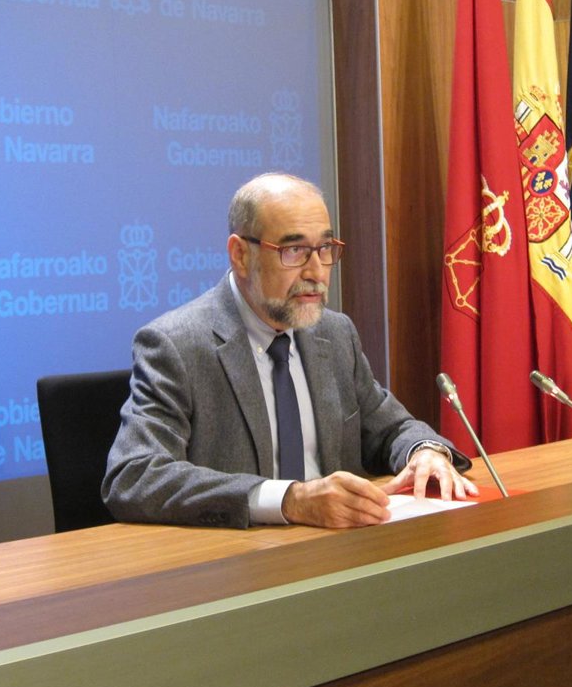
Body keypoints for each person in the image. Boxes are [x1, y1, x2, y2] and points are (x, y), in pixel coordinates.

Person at [102, 173, 477, 528]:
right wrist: (289, 500)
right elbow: (135, 475)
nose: (317, 272)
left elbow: (390, 427)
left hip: (341, 552)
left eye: (325, 248)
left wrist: (423, 452)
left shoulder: (334, 333)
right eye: (294, 250)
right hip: (239, 560)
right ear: (240, 255)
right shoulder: (177, 345)